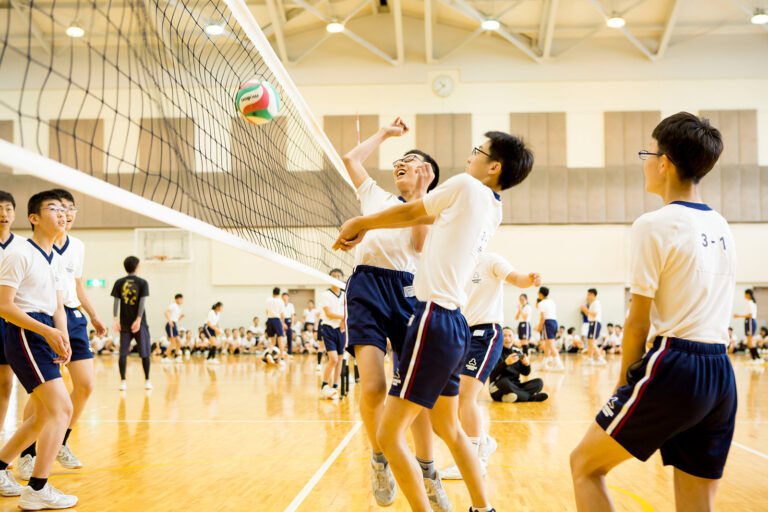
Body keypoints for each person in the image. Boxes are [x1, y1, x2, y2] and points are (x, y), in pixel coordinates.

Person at [334, 130, 534, 512]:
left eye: (478, 151)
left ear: (494, 167)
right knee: (449, 427)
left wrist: (360, 221)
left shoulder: (465, 186)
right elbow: (417, 214)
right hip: (455, 323)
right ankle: (482, 507)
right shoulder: (493, 206)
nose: (469, 156)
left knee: (390, 435)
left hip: (432, 319)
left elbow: (413, 213)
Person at [570, 112, 737, 512]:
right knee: (697, 502)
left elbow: (637, 322)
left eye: (647, 152)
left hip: (675, 366)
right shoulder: (722, 225)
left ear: (663, 162)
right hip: (720, 374)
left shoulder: (654, 224)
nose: (644, 160)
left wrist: (623, 385)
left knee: (583, 465)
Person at [340, 116, 445, 508]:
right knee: (373, 387)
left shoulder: (429, 206)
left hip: (406, 291)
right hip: (367, 286)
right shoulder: (375, 197)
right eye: (400, 159)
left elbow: (418, 248)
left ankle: (428, 469)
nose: (402, 162)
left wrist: (420, 191)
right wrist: (385, 133)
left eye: (413, 159)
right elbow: (351, 158)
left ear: (427, 173)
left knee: (413, 394)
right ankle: (380, 457)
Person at [0, 190, 78, 508]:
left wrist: (63, 336)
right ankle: (37, 489)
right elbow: (4, 306)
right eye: (53, 209)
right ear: (34, 218)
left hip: (45, 332)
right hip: (25, 332)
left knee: (42, 414)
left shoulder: (56, 258)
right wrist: (46, 331)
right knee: (63, 410)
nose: (62, 214)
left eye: (65, 210)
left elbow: (57, 306)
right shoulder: (19, 254)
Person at [440, 253, 541, 480]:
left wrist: (529, 278)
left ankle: (474, 461)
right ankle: (483, 441)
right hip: (461, 335)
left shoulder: (490, 260)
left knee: (466, 395)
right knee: (455, 397)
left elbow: (516, 278)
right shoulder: (456, 263)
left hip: (485, 335)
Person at [0, 190, 24, 437]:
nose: (3, 213)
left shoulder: (24, 247)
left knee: (5, 385)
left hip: (10, 320)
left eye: (7, 208)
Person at [111, 256, 152, 391]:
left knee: (123, 353)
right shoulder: (142, 282)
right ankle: (147, 381)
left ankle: (123, 381)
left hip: (124, 323)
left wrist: (115, 319)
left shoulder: (119, 282)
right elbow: (142, 302)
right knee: (145, 352)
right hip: (140, 323)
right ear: (136, 267)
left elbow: (116, 301)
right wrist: (139, 320)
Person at [488, 327, 548, 403]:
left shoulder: (517, 352)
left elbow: (526, 373)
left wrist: (527, 364)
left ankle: (510, 397)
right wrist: (505, 363)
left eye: (510, 336)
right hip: (497, 387)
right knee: (505, 382)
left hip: (515, 386)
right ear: (500, 338)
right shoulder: (495, 352)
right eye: (505, 336)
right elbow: (492, 374)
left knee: (539, 382)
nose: (508, 338)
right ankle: (530, 398)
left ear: (514, 338)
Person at [319, 269, 346, 399]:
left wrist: (344, 321)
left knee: (340, 359)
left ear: (342, 279)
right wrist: (344, 318)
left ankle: (335, 386)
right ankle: (324, 385)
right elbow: (329, 313)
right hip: (328, 328)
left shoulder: (345, 295)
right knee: (333, 359)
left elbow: (349, 311)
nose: (336, 278)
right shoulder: (326, 295)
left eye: (338, 276)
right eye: (333, 276)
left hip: (341, 330)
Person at [535, 287, 563, 372]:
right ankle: (544, 363)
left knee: (551, 345)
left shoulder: (542, 303)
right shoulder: (552, 302)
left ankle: (559, 364)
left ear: (540, 294)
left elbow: (542, 317)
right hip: (554, 322)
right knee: (547, 344)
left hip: (547, 323)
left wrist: (539, 327)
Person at [734, 289, 761, 364]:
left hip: (750, 322)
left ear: (748, 294)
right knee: (750, 342)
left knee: (750, 342)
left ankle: (756, 358)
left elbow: (750, 315)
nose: (744, 295)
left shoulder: (751, 303)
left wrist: (738, 316)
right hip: (748, 322)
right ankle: (755, 358)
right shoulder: (750, 303)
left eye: (745, 294)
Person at [580, 288, 605, 365]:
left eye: (588, 294)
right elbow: (589, 315)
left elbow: (594, 314)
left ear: (592, 295)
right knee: (590, 342)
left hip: (595, 323)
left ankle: (601, 359)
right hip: (591, 323)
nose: (587, 296)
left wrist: (585, 309)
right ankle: (590, 359)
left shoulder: (596, 303)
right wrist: (585, 311)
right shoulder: (592, 304)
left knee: (592, 343)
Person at [265, 288, 286, 360]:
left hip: (269, 320)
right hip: (277, 320)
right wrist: (283, 324)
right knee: (280, 339)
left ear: (272, 293)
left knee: (273, 341)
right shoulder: (281, 301)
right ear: (279, 294)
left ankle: (269, 354)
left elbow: (266, 311)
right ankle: (282, 357)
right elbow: (282, 314)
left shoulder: (268, 300)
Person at [164, 293, 184, 363]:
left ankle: (175, 356)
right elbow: (166, 312)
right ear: (177, 299)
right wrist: (169, 321)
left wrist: (180, 317)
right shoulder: (173, 305)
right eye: (181, 299)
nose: (182, 300)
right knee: (173, 343)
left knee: (179, 342)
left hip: (174, 324)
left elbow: (176, 319)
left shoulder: (178, 308)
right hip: (171, 325)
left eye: (182, 299)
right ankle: (164, 357)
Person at [281, 292, 296, 358]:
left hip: (289, 321)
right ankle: (280, 352)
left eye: (286, 296)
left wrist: (292, 323)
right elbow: (280, 314)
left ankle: (290, 353)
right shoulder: (280, 305)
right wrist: (283, 323)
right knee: (280, 337)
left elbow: (293, 315)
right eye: (284, 296)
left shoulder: (291, 305)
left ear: (288, 297)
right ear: (282, 297)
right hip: (282, 321)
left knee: (289, 337)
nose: (285, 298)